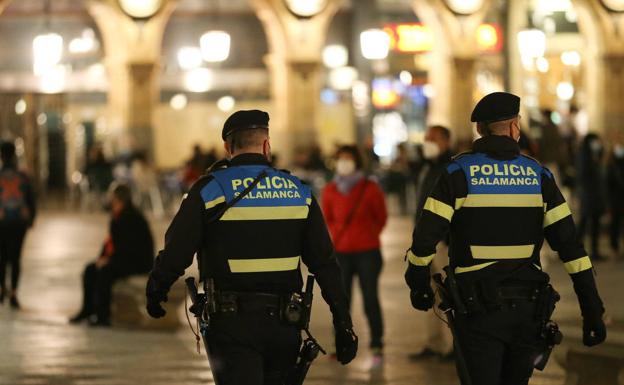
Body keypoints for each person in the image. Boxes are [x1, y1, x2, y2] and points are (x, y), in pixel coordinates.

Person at [404, 92, 606, 385]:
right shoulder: (539, 176)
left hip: (476, 311)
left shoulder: (457, 173)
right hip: (528, 309)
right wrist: (592, 308)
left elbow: (425, 238)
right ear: (514, 127)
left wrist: (419, 285)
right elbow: (571, 249)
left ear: (478, 129)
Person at [145, 110, 358, 384]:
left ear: (227, 147)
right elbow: (324, 262)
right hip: (285, 324)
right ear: (267, 145)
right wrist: (342, 321)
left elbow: (178, 251)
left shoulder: (210, 189)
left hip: (230, 325)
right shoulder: (298, 191)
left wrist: (156, 288)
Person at [321, 145, 387, 364]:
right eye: (341, 158)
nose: (344, 162)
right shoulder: (330, 189)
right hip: (341, 253)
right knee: (341, 301)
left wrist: (366, 235)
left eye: (348, 158)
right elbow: (328, 218)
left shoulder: (370, 188)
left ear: (357, 162)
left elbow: (381, 217)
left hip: (368, 252)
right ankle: (341, 344)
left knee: (370, 299)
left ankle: (377, 342)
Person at [70, 184, 154, 326]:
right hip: (122, 258)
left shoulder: (131, 218)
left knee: (105, 273)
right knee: (90, 269)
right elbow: (110, 242)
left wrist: (108, 261)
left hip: (137, 262)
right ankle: (87, 310)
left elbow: (129, 248)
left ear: (118, 199)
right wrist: (102, 258)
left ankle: (102, 316)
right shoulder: (118, 214)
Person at [408, 126, 454, 361]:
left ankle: (452, 346)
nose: (427, 143)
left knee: (448, 294)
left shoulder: (450, 169)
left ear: (446, 141)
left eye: (432, 139)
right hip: (425, 241)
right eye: (426, 139)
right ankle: (435, 343)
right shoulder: (428, 167)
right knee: (430, 292)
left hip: (443, 242)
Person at [0, 142, 36, 309]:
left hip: (2, 221)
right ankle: (14, 293)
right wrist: (31, 219)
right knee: (15, 258)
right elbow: (31, 198)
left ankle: (2, 290)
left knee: (1, 257)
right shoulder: (23, 176)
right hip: (19, 223)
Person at [576, 133, 607, 261]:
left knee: (592, 223)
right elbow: (584, 175)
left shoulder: (593, 156)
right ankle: (577, 250)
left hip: (593, 195)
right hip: (589, 195)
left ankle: (593, 250)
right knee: (586, 223)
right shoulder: (584, 157)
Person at [607, 139, 624, 258]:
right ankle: (615, 247)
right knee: (615, 224)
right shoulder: (611, 166)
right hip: (615, 200)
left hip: (619, 199)